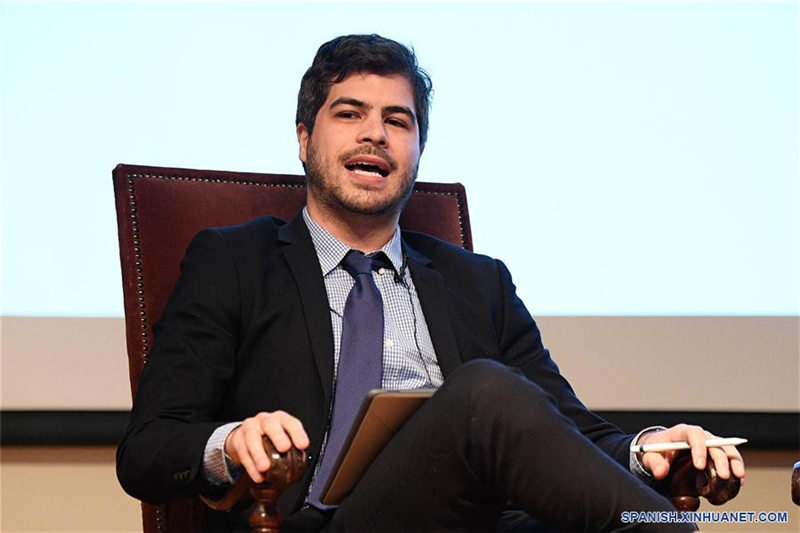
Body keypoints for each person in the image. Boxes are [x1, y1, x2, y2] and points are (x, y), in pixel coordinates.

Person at [116, 34, 745, 532]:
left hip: (486, 520)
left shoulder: (480, 284)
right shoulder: (233, 261)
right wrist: (234, 442)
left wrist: (650, 447)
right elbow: (148, 448)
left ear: (418, 150)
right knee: (480, 392)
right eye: (349, 113)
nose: (376, 134)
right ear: (304, 140)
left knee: (504, 418)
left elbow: (569, 434)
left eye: (399, 120)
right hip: (318, 522)